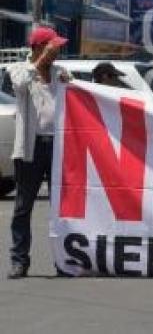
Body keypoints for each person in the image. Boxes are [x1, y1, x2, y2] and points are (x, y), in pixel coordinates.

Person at [7, 26, 71, 279]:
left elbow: (78, 97)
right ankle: (19, 261)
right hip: (30, 148)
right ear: (38, 47)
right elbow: (20, 86)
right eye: (52, 47)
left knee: (61, 208)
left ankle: (64, 260)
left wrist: (70, 83)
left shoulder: (60, 73)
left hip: (58, 146)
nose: (57, 52)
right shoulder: (20, 70)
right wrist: (41, 61)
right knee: (23, 207)